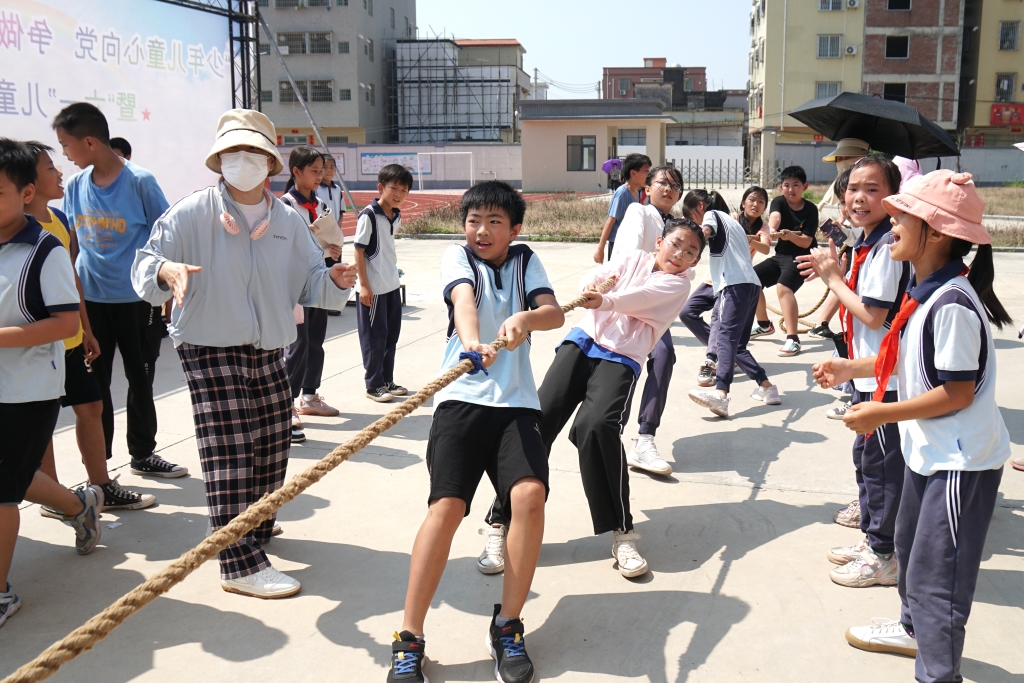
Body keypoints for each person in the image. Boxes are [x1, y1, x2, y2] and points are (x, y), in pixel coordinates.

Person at [131, 109, 356, 598]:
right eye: (234, 152)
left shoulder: (287, 220)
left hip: (268, 346)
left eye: (254, 152)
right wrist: (167, 272)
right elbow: (147, 264)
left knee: (272, 444)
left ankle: (252, 529)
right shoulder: (191, 212)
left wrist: (334, 281)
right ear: (219, 159)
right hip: (208, 343)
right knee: (229, 447)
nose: (244, 161)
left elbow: (310, 279)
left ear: (271, 161)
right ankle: (237, 562)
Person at [812, 170, 1013, 683]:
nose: (892, 221)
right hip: (930, 454)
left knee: (935, 578)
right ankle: (911, 631)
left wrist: (880, 412)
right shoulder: (929, 291)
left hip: (958, 464)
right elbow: (907, 358)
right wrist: (851, 369)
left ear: (938, 233)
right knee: (908, 545)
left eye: (903, 215)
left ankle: (937, 672)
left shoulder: (951, 305)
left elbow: (958, 392)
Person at [387, 181, 563, 683]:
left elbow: (554, 312)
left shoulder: (528, 261)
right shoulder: (456, 257)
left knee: (529, 496)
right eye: (473, 220)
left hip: (517, 405)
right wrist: (471, 344)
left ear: (514, 228)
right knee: (447, 506)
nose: (481, 231)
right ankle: (409, 637)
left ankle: (508, 625)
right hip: (462, 400)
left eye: (494, 222)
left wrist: (524, 318)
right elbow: (464, 301)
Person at [480, 217, 703, 585]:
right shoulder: (633, 258)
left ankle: (622, 533)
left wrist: (607, 298)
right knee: (536, 421)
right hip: (583, 340)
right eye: (676, 244)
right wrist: (592, 285)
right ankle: (500, 520)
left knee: (596, 427)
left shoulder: (677, 286)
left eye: (690, 252)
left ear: (695, 262)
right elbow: (599, 275)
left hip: (622, 357)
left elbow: (639, 300)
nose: (679, 254)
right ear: (660, 241)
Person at [0, 138, 105, 630]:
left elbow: (65, 322)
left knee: (3, 489)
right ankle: (79, 505)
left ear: (24, 194)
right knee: (12, 476)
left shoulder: (44, 248)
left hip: (27, 392)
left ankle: (0, 593)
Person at [53, 103, 187, 478]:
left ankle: (143, 452)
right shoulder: (78, 185)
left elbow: (166, 237)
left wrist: (166, 291)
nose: (64, 154)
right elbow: (76, 242)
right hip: (92, 300)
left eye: (67, 145)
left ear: (90, 142)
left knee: (139, 376)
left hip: (136, 300)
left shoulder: (140, 181)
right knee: (96, 382)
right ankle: (102, 466)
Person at [22, 141, 155, 513]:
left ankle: (101, 484)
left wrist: (86, 329)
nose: (60, 172)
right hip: (40, 344)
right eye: (50, 167)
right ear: (28, 184)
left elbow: (72, 279)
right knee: (43, 419)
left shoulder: (61, 220)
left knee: (92, 406)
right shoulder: (17, 227)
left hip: (72, 338)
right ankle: (54, 495)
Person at [798, 156, 910, 588]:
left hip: (887, 376)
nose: (859, 197)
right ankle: (874, 539)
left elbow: (872, 315)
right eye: (853, 188)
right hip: (870, 372)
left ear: (893, 196)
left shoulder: (886, 247)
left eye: (872, 189)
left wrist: (834, 280)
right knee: (868, 457)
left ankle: (884, 554)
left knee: (882, 465)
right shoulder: (869, 241)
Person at [608, 165, 685, 474]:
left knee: (664, 355)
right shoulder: (640, 214)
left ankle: (645, 438)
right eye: (662, 183)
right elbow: (626, 251)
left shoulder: (677, 226)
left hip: (655, 304)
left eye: (674, 185)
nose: (668, 189)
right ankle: (613, 431)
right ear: (648, 188)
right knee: (626, 364)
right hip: (630, 298)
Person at [686, 190, 781, 418]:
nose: (694, 221)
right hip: (750, 285)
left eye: (691, 217)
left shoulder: (712, 214)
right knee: (736, 345)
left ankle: (721, 396)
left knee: (726, 339)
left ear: (700, 207)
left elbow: (706, 231)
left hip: (733, 285)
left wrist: (689, 243)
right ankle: (767, 388)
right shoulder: (734, 222)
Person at [280, 146, 342, 439]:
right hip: (294, 286)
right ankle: (285, 407)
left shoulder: (319, 203)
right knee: (298, 345)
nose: (320, 176)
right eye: (315, 171)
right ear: (296, 172)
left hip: (320, 280)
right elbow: (282, 247)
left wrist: (333, 250)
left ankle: (309, 396)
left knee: (316, 341)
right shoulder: (285, 206)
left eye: (322, 171)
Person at [355, 163, 411, 403]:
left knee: (390, 336)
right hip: (374, 289)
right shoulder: (368, 215)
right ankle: (374, 385)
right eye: (394, 188)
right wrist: (364, 286)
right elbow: (359, 251)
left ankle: (387, 379)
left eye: (404, 190)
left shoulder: (395, 215)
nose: (398, 194)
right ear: (381, 188)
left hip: (391, 286)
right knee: (374, 338)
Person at [750, 165, 819, 356]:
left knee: (783, 288)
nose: (791, 189)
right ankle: (764, 324)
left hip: (801, 257)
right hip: (779, 256)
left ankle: (793, 339)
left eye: (795, 185)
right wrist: (772, 229)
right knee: (751, 279)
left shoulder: (811, 210)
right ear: (781, 187)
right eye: (787, 185)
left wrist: (790, 237)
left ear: (804, 186)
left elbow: (806, 242)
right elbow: (775, 216)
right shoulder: (779, 202)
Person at [808, 139, 870, 341]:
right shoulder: (845, 180)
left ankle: (822, 323)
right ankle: (822, 323)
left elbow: (874, 317)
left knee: (848, 284)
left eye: (844, 157)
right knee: (847, 282)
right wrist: (841, 228)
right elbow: (855, 235)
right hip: (856, 243)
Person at [594, 152, 651, 264]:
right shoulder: (622, 193)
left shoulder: (636, 193)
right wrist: (600, 249)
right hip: (617, 244)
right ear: (633, 173)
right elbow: (610, 222)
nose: (649, 175)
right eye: (646, 171)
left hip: (629, 244)